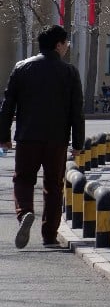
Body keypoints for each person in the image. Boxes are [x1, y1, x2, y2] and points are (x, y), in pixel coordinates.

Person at [1, 25, 84, 249]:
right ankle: (49, 235)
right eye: (66, 43)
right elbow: (77, 111)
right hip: (57, 139)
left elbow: (8, 105)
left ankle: (25, 212)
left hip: (27, 137)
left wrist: (4, 135)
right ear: (58, 45)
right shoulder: (69, 72)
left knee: (23, 179)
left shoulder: (22, 67)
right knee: (54, 186)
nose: (67, 47)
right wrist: (78, 144)